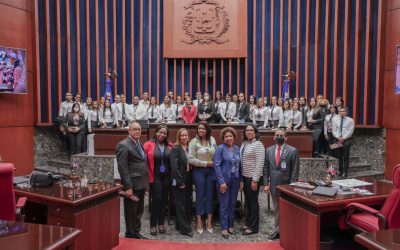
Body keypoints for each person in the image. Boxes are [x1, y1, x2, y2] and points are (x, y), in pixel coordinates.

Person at [263, 129, 300, 240]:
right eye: (277, 135)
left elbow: (295, 169)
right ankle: (278, 231)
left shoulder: (292, 151)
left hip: (286, 185)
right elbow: (266, 168)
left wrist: (292, 185)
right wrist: (266, 183)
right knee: (278, 209)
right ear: (274, 137)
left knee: (288, 210)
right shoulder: (269, 150)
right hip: (274, 185)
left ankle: (288, 230)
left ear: (286, 137)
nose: (279, 137)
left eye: (281, 135)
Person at [116, 122, 149, 239]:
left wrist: (145, 184)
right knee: (131, 212)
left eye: (139, 130)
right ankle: (130, 233)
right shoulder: (123, 145)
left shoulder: (139, 143)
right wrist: (128, 187)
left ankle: (136, 232)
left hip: (140, 183)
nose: (137, 131)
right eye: (134, 129)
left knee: (139, 210)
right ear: (129, 130)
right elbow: (122, 167)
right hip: (132, 185)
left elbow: (142, 163)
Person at [144, 124, 173, 236]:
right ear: (156, 132)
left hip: (166, 177)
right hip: (154, 176)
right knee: (156, 200)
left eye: (164, 133)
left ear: (167, 135)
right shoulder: (148, 145)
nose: (162, 134)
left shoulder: (170, 146)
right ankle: (152, 225)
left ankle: (161, 223)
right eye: (160, 132)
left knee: (164, 200)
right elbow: (144, 162)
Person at [189, 121, 216, 234]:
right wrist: (205, 163)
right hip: (198, 171)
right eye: (199, 128)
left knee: (210, 195)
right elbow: (190, 159)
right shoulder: (193, 142)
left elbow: (216, 153)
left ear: (207, 130)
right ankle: (199, 219)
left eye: (203, 129)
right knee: (200, 195)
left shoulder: (212, 140)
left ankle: (209, 220)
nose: (201, 130)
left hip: (211, 171)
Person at [213, 127, 241, 239]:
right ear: (223, 138)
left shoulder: (237, 148)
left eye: (230, 136)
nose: (228, 138)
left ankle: (231, 225)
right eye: (226, 136)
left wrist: (241, 180)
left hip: (236, 179)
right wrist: (221, 182)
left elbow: (240, 166)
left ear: (234, 137)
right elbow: (216, 166)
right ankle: (224, 228)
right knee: (224, 204)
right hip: (224, 180)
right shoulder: (219, 148)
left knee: (232, 204)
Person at [240, 124, 265, 235]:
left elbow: (260, 164)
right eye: (247, 130)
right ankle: (248, 222)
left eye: (251, 130)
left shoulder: (258, 144)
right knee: (248, 202)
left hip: (253, 178)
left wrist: (255, 180)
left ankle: (254, 227)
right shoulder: (244, 143)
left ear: (255, 132)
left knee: (253, 202)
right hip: (245, 177)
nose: (249, 132)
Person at [170, 128, 193, 237]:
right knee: (180, 204)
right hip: (180, 179)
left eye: (186, 135)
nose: (184, 137)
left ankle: (179, 224)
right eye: (182, 135)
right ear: (179, 137)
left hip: (188, 178)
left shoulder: (189, 148)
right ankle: (185, 229)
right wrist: (180, 181)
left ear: (189, 137)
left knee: (187, 202)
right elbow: (174, 167)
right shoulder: (176, 148)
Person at [332, 107, 354, 178]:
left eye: (343, 111)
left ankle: (345, 172)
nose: (342, 112)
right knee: (339, 156)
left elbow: (350, 131)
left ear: (346, 112)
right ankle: (340, 171)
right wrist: (338, 137)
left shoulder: (351, 120)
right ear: (338, 112)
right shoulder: (335, 119)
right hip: (337, 139)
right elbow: (334, 130)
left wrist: (343, 138)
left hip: (346, 139)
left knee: (346, 156)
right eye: (340, 111)